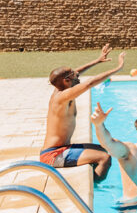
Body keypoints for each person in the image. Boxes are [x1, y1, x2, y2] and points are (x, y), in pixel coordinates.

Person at [41, 45, 124, 182]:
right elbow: (89, 83)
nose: (77, 74)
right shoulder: (62, 97)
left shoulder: (61, 88)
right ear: (66, 81)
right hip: (54, 155)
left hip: (62, 148)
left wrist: (97, 61)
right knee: (104, 158)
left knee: (103, 149)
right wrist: (118, 68)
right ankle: (95, 188)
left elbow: (78, 72)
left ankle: (94, 179)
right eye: (73, 74)